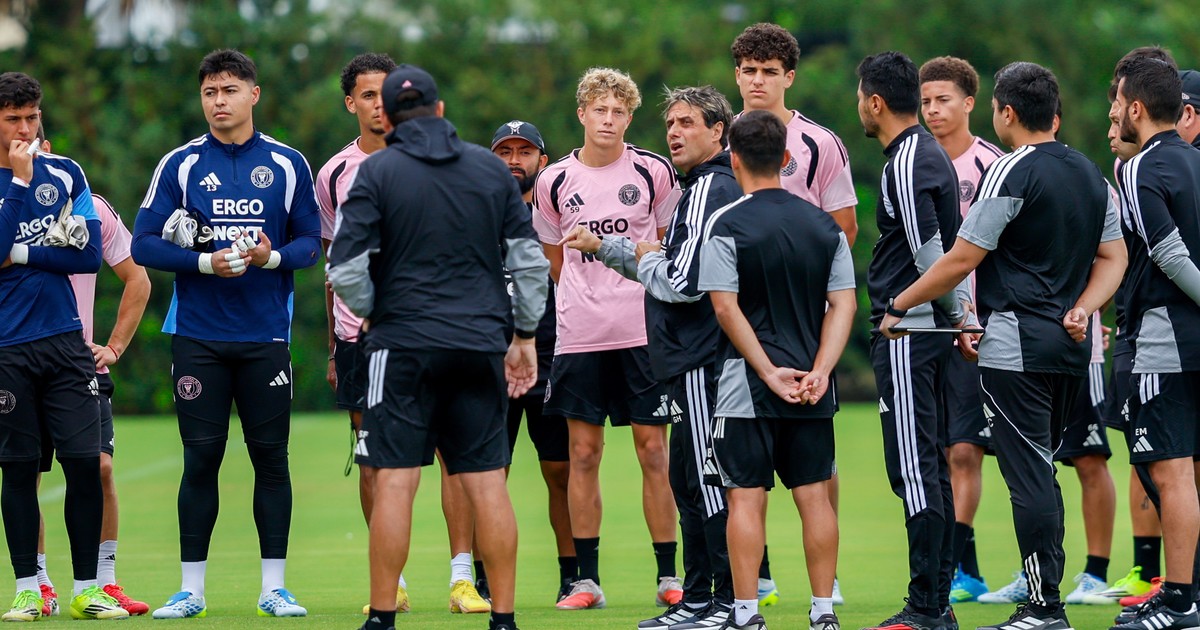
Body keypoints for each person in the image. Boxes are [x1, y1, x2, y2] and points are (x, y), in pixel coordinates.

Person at [880, 61, 1126, 630]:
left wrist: (900, 304)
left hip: (1015, 347)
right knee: (1044, 471)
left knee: (1029, 477)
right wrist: (1084, 308)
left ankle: (1043, 607)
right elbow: (1114, 257)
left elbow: (963, 258)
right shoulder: (1090, 172)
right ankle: (1047, 599)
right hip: (1071, 347)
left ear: (1006, 112)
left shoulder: (1008, 171)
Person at [327, 63, 547, 630]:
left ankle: (382, 617)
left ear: (388, 117)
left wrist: (375, 312)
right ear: (441, 110)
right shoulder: (489, 170)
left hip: (401, 345)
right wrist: (524, 336)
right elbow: (529, 264)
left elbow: (343, 268)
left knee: (396, 480)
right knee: (486, 482)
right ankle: (503, 619)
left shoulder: (376, 172)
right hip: (479, 345)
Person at [131, 49, 322, 618]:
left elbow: (310, 245)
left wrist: (270, 257)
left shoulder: (287, 164)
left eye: (230, 90)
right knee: (201, 459)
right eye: (210, 92)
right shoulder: (180, 164)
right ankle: (190, 590)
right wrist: (204, 263)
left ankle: (273, 589)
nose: (220, 101)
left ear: (254, 94)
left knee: (271, 460)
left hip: (265, 337)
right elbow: (143, 244)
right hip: (198, 337)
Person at [560, 85, 740, 630]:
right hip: (673, 355)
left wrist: (628, 253)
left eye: (688, 123)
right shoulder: (700, 185)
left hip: (700, 357)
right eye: (672, 124)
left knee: (701, 478)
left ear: (718, 131)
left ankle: (718, 601)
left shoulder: (706, 187)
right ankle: (704, 598)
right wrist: (631, 251)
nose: (675, 133)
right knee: (691, 476)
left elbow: (682, 281)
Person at [697, 109, 856, 630]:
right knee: (814, 496)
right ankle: (824, 609)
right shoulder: (824, 226)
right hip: (812, 385)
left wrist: (767, 371)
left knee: (745, 497)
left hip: (747, 384)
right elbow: (844, 304)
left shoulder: (725, 223)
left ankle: (745, 612)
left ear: (734, 160)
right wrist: (822, 370)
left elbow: (725, 307)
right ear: (786, 159)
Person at [532, 66, 680, 611]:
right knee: (583, 454)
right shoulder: (553, 180)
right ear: (582, 113)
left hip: (643, 332)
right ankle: (586, 582)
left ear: (629, 118)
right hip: (580, 335)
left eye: (619, 111)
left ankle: (669, 576)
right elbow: (554, 262)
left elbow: (666, 250)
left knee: (653, 451)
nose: (609, 119)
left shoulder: (653, 171)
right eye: (600, 109)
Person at [729, 23, 859, 605]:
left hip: (804, 322)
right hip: (737, 322)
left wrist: (805, 289)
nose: (758, 81)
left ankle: (825, 584)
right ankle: (757, 581)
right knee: (741, 475)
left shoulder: (820, 143)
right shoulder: (720, 136)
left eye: (769, 71)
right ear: (737, 75)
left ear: (789, 77)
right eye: (749, 71)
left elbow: (843, 228)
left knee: (814, 469)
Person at [0, 71, 128, 621]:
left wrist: (21, 254)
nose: (25, 130)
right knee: (18, 469)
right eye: (13, 120)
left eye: (32, 118)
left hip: (65, 342)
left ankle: (87, 589)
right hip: (7, 347)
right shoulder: (20, 180)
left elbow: (87, 256)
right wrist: (20, 186)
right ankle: (29, 589)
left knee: (85, 465)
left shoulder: (67, 172)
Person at [857, 51, 967, 630]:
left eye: (860, 97)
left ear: (874, 102)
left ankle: (925, 606)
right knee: (929, 467)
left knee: (915, 469)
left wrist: (912, 309)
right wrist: (960, 317)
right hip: (931, 330)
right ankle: (937, 604)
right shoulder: (929, 152)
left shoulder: (906, 158)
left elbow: (931, 254)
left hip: (908, 331)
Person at [30, 122, 153, 618]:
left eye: (34, 140)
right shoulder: (6, 209)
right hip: (20, 361)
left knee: (99, 468)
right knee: (25, 473)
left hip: (78, 364)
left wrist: (115, 346)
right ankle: (39, 583)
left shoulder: (92, 208)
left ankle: (104, 581)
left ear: (49, 148)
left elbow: (137, 278)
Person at [1109, 56, 1200, 630]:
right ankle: (1189, 596)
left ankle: (1180, 600)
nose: (1115, 113)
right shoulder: (1195, 158)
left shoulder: (1139, 167)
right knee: (1187, 472)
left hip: (1164, 341)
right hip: (1190, 343)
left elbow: (1168, 254)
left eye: (1119, 103)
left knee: (1170, 474)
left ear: (1137, 109)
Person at [918, 55, 1006, 606]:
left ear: (970, 103)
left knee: (965, 450)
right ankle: (961, 569)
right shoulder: (912, 161)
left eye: (943, 100)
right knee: (930, 450)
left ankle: (955, 565)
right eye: (925, 101)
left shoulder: (993, 163)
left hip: (977, 326)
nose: (932, 110)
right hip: (925, 326)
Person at [489, 119, 577, 604]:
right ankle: (481, 579)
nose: (514, 160)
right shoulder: (476, 212)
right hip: (491, 361)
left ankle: (573, 575)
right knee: (488, 476)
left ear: (542, 160)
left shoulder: (558, 212)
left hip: (551, 357)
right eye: (505, 151)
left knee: (560, 472)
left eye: (524, 152)